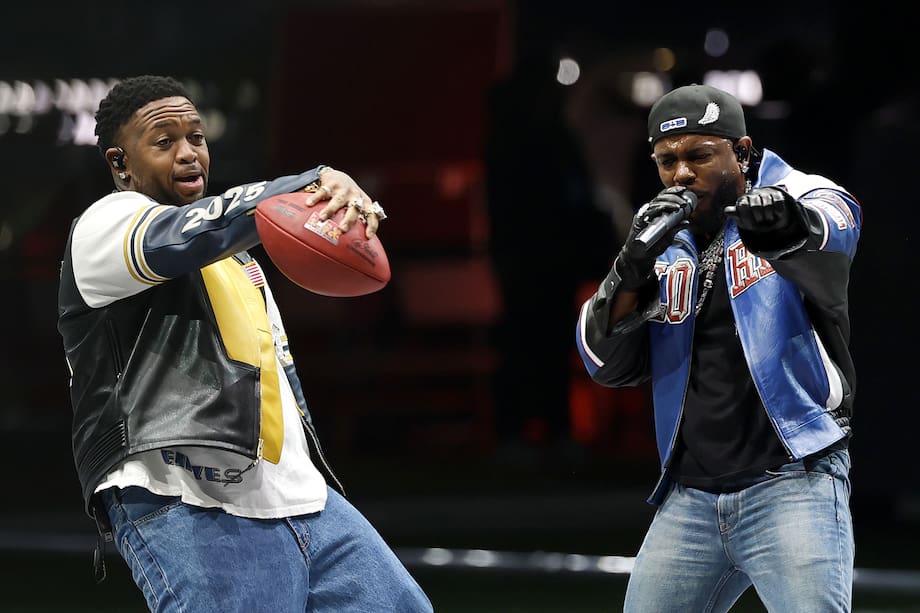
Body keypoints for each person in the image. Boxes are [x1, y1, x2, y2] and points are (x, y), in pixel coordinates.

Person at [57, 75, 433, 612]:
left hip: (300, 499)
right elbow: (193, 231)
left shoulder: (240, 260)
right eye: (164, 143)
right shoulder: (105, 225)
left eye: (197, 138)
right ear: (120, 164)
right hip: (184, 497)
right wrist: (311, 181)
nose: (189, 154)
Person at [575, 84, 861, 611]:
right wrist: (629, 269)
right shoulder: (663, 234)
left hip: (791, 482)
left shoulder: (798, 192)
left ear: (743, 152)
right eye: (667, 161)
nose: (681, 173)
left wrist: (787, 227)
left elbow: (836, 230)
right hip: (690, 499)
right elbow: (603, 362)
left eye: (699, 156)